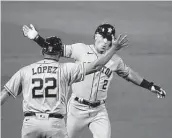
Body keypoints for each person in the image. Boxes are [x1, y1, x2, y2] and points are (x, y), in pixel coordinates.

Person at [22, 23, 166, 138]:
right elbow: (55, 49)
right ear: (95, 36)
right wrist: (37, 38)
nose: (105, 42)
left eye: (109, 39)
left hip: (99, 111)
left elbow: (130, 74)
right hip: (76, 109)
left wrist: (151, 86)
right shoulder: (80, 49)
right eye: (103, 37)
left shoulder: (115, 60)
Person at [1, 33, 127, 138]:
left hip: (31, 124)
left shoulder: (25, 71)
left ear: (42, 51)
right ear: (59, 53)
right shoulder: (66, 69)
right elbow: (96, 66)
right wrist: (114, 49)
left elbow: (4, 94)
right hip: (54, 125)